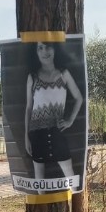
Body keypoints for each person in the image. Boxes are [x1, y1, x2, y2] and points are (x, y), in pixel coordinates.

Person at [24, 41, 84, 181]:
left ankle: (74, 194)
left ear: (54, 49)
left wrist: (70, 121)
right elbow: (29, 108)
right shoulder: (32, 77)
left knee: (70, 176)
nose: (44, 51)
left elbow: (79, 98)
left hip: (57, 131)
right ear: (36, 52)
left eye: (48, 47)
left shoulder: (64, 74)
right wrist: (26, 137)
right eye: (40, 48)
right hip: (37, 134)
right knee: (40, 179)